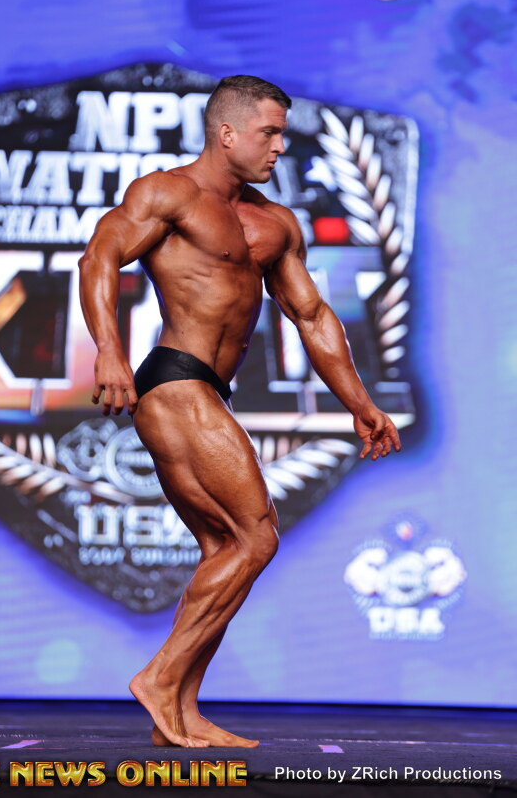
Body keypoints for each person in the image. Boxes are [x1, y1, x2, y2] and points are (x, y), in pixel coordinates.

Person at [78, 75, 401, 749]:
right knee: (257, 538)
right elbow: (99, 258)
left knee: (225, 550)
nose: (280, 147)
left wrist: (361, 404)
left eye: (283, 134)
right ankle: (160, 677)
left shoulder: (274, 223)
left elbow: (312, 317)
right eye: (269, 133)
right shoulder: (167, 194)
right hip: (175, 380)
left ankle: (181, 710)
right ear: (227, 133)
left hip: (209, 391)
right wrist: (108, 351)